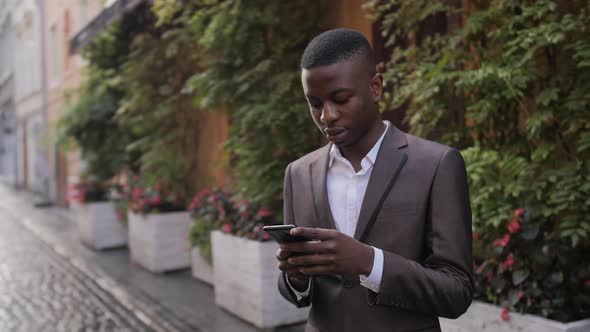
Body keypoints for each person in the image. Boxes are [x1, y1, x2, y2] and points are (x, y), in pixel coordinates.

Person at [276, 28, 473, 332]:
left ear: (376, 87)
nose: (327, 116)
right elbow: (296, 292)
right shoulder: (298, 173)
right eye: (314, 104)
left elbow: (456, 292)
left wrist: (369, 262)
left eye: (340, 99)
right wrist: (297, 277)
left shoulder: (436, 165)